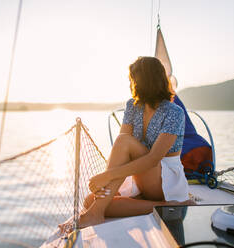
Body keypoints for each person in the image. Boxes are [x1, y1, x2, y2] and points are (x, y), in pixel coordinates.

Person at [59, 56, 194, 234]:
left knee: (123, 141)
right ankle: (163, 206)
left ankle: (96, 213)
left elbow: (153, 159)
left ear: (144, 81)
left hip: (164, 179)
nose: (131, 83)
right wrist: (108, 183)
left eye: (133, 79)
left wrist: (107, 176)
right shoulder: (133, 106)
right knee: (90, 200)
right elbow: (122, 151)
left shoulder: (174, 112)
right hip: (141, 177)